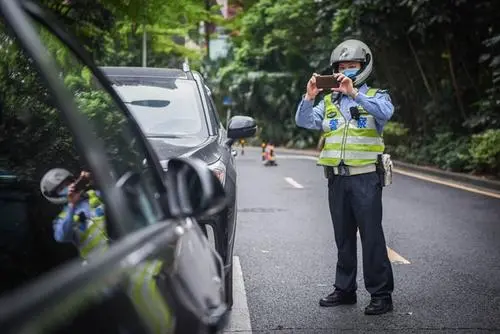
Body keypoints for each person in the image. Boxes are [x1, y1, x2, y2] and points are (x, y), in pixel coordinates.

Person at [295, 39, 394, 315]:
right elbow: (304, 121)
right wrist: (310, 96)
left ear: (364, 66)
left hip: (365, 179)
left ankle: (381, 295)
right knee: (343, 237)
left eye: (352, 66)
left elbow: (386, 113)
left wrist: (356, 95)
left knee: (372, 237)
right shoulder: (328, 102)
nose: (347, 71)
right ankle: (345, 289)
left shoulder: (377, 95)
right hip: (337, 179)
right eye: (342, 66)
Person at [40, 168, 108, 261]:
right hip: (101, 265)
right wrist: (72, 205)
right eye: (60, 188)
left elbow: (116, 196)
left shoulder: (95, 195)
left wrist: (95, 180)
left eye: (67, 183)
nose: (67, 188)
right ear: (55, 196)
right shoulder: (61, 219)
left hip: (123, 249)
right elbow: (62, 237)